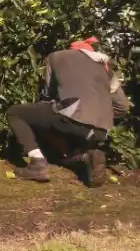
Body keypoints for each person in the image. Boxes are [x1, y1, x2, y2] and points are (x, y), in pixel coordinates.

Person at [7, 37, 131, 187]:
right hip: (101, 130)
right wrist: (99, 118)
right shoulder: (105, 67)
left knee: (15, 113)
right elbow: (122, 106)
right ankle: (87, 157)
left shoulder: (57, 56)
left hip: (71, 116)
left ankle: (37, 163)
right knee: (62, 150)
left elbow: (48, 94)